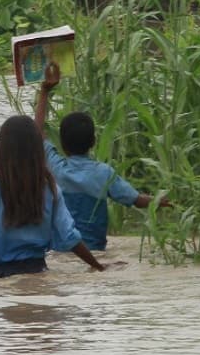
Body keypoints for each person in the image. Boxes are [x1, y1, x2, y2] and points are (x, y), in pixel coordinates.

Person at [34, 62, 171, 251]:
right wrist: (162, 201)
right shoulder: (104, 173)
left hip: (61, 252)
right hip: (95, 252)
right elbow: (136, 200)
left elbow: (37, 134)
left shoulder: (57, 170)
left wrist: (44, 91)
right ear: (93, 142)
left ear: (63, 145)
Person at [0, 115, 105, 278]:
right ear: (38, 152)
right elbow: (69, 237)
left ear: (2, 150)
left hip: (1, 276)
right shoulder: (50, 189)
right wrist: (98, 266)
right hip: (38, 271)